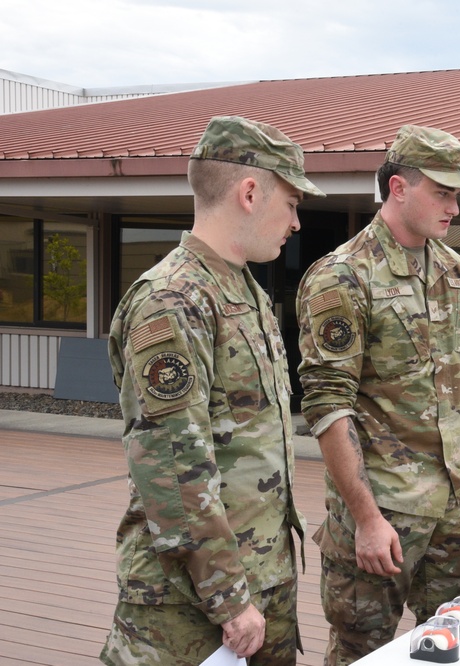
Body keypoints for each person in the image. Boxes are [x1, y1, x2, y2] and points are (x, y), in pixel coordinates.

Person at [102, 116, 322, 665]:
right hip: (190, 609)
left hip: (258, 585)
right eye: (292, 202)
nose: (296, 221)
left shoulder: (241, 288)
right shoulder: (174, 300)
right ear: (250, 192)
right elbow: (173, 466)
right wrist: (228, 598)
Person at [296, 124, 460, 665]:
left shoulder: (455, 269)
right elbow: (326, 404)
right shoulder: (343, 276)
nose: (454, 208)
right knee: (363, 650)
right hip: (385, 508)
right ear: (398, 188)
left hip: (458, 503)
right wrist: (364, 518)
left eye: (458, 194)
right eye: (443, 192)